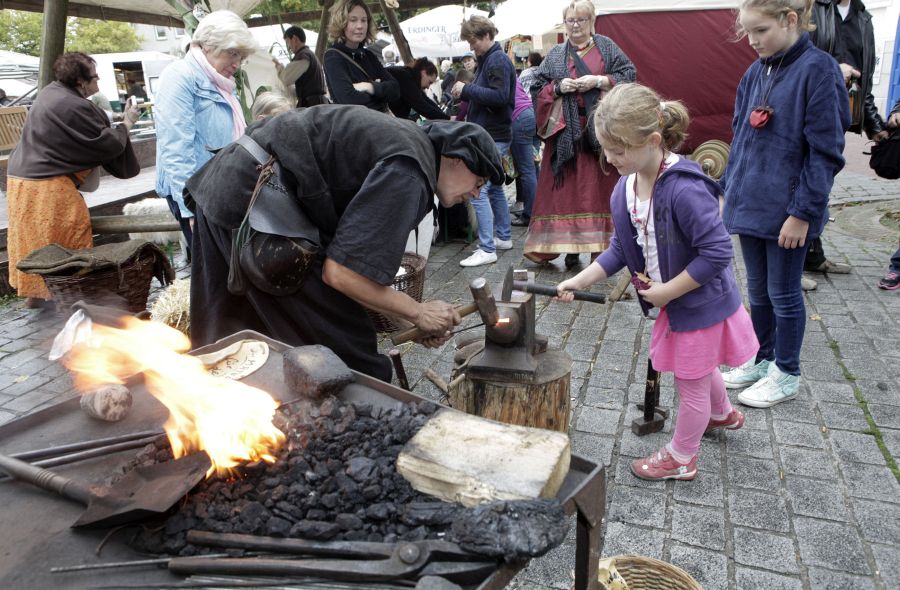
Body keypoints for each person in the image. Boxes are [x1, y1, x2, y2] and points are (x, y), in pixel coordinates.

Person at [185, 105, 503, 382]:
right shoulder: (409, 170)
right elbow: (341, 274)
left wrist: (405, 321)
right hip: (253, 200)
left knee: (231, 338)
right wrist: (418, 312)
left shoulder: (409, 148)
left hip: (230, 184)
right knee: (350, 354)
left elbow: (353, 268)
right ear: (457, 159)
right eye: (479, 182)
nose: (476, 194)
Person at [556, 83, 757, 481]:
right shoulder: (625, 188)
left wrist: (665, 292)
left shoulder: (685, 190)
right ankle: (721, 414)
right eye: (605, 149)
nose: (610, 159)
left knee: (690, 383)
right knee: (701, 368)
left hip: (699, 305)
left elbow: (718, 253)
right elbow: (620, 249)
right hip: (678, 303)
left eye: (619, 150)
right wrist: (580, 280)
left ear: (652, 140)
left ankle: (682, 458)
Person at [720, 0, 850, 408]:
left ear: (790, 19)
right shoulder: (754, 72)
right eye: (747, 32)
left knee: (784, 293)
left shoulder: (819, 71)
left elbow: (825, 153)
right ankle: (762, 358)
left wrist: (802, 213)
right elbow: (740, 139)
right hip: (751, 207)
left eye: (760, 30)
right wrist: (727, 190)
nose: (752, 41)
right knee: (758, 292)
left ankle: (787, 372)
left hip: (788, 212)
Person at [6, 52, 140, 309]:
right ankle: (71, 298)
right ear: (80, 81)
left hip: (20, 181)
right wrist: (126, 123)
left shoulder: (49, 93)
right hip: (47, 185)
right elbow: (106, 143)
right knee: (67, 240)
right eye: (95, 77)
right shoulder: (75, 106)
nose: (98, 81)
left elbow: (81, 127)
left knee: (33, 241)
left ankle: (37, 295)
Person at [523, 0, 636, 269]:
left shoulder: (607, 47)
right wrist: (558, 87)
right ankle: (565, 246)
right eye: (571, 20)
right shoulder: (555, 54)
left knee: (599, 193)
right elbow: (537, 88)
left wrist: (600, 81)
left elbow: (629, 74)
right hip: (565, 137)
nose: (575, 25)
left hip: (599, 134)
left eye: (581, 19)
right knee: (563, 196)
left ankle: (603, 251)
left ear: (592, 21)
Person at [155, 9, 256, 256]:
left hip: (219, 188)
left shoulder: (219, 80)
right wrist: (190, 210)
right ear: (209, 45)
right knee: (213, 266)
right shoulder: (179, 76)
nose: (237, 64)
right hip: (197, 193)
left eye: (241, 57)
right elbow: (175, 148)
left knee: (230, 264)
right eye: (233, 53)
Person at [803, 0, 885, 280]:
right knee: (799, 182)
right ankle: (787, 264)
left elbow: (866, 78)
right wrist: (832, 69)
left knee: (822, 183)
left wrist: (873, 124)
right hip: (807, 109)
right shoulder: (811, 8)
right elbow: (795, 59)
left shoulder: (863, 17)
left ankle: (811, 255)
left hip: (840, 113)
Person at [452, 15, 517, 267]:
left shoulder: (496, 60)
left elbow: (500, 96)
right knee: (496, 187)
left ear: (486, 35)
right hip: (494, 133)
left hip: (491, 135)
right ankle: (503, 237)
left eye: (473, 41)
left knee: (478, 190)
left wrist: (466, 89)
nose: (471, 47)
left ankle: (487, 247)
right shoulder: (491, 59)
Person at [324, 0, 400, 113]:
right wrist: (380, 91)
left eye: (364, 20)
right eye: (353, 20)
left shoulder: (368, 55)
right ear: (341, 23)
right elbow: (349, 100)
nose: (360, 26)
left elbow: (395, 90)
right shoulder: (333, 57)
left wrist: (369, 87)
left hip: (380, 120)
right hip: (356, 123)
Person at [275, 25, 328, 108]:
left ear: (295, 39)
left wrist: (279, 68)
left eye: (288, 42)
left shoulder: (303, 56)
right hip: (315, 104)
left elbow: (285, 79)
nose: (288, 47)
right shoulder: (307, 54)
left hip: (313, 105)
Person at [508, 79, 537, 227]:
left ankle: (530, 214)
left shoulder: (493, 73)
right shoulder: (510, 74)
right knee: (533, 168)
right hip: (530, 114)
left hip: (518, 118)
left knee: (527, 171)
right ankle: (535, 210)